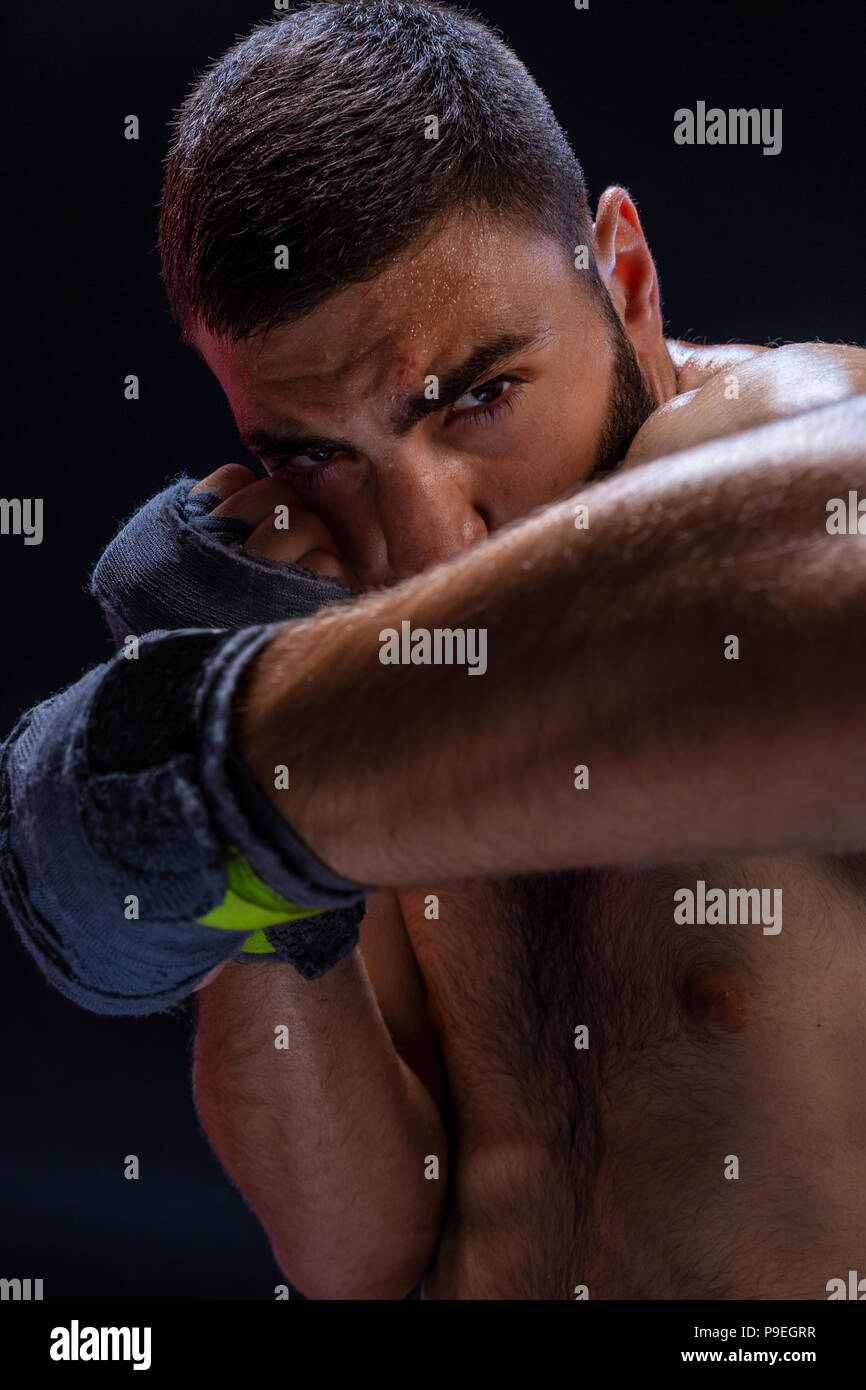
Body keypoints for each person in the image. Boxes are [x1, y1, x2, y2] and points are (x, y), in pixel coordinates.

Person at [4, 2, 866, 1300]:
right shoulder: (351, 646)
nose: (425, 542)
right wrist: (235, 822)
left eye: (475, 397)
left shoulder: (775, 435)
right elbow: (355, 1247)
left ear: (621, 276)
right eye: (315, 454)